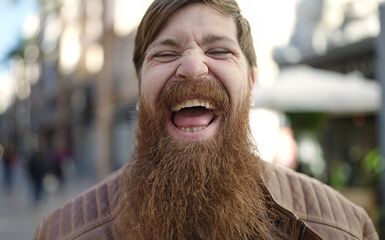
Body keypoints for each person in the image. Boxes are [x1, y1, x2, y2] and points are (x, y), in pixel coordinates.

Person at [34, 0, 378, 239]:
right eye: (166, 54)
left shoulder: (342, 228)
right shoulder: (62, 233)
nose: (193, 68)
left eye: (218, 51)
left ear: (252, 85)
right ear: (140, 92)